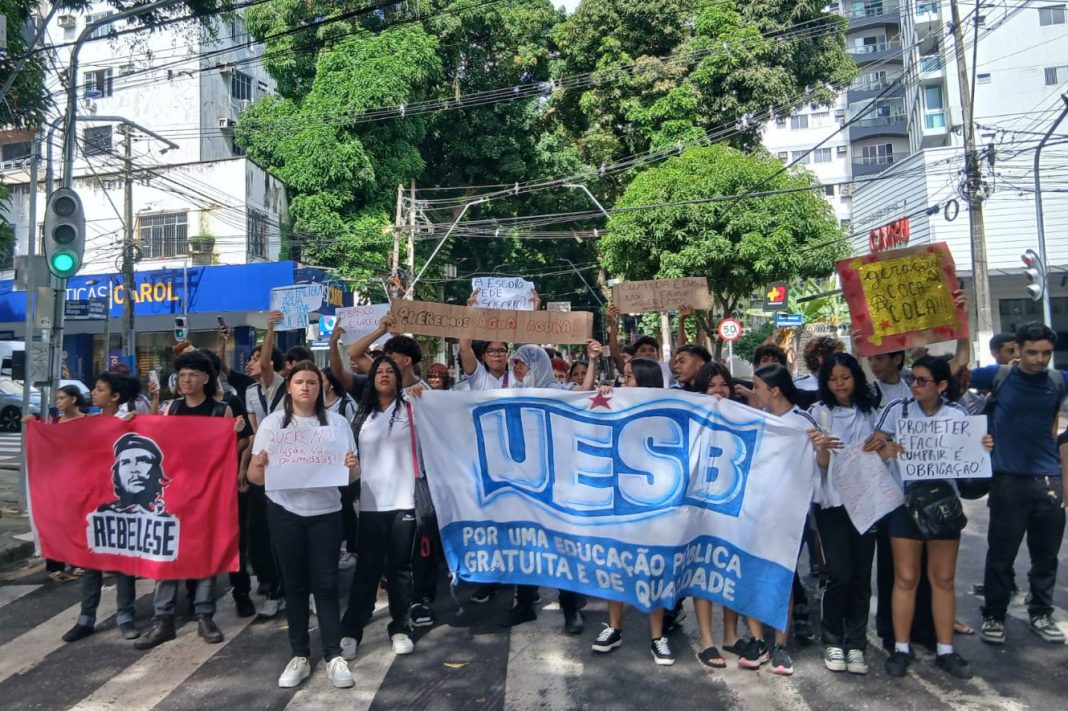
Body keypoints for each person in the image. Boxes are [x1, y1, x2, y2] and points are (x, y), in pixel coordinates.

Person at [247, 360, 359, 689]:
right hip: (285, 513)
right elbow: (255, 478)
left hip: (326, 513)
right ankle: (299, 655)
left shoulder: (337, 425)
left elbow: (352, 476)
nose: (306, 388)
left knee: (325, 586)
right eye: (299, 382)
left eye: (312, 382)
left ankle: (333, 655)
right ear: (290, 387)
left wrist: (352, 466)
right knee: (294, 587)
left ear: (320, 387)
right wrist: (258, 464)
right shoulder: (271, 425)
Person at [875, 356, 987, 680]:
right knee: (905, 579)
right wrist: (887, 450)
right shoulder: (898, 411)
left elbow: (971, 455)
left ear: (940, 385)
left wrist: (983, 446)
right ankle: (900, 647)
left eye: (922, 380)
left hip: (943, 505)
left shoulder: (957, 414)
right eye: (913, 379)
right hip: (903, 505)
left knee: (943, 580)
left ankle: (946, 651)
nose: (914, 385)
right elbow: (873, 451)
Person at [135, 351, 237, 650]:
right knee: (167, 554)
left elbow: (226, 455)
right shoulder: (173, 409)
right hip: (174, 494)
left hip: (208, 495)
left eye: (192, 374)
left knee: (204, 555)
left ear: (206, 378)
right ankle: (163, 618)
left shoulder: (221, 411)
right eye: (181, 376)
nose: (186, 380)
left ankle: (205, 614)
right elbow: (160, 445)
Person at [974, 322, 1068, 646]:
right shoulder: (997, 376)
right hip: (1008, 482)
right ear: (1019, 348)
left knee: (1046, 556)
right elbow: (952, 378)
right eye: (1032, 352)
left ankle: (1040, 612)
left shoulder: (1058, 381)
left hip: (1049, 482)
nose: (1039, 360)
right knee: (1001, 556)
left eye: (1045, 353)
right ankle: (993, 614)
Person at [585, 354, 677, 665]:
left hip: (656, 505)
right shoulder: (612, 405)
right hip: (618, 502)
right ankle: (614, 628)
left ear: (646, 381)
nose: (624, 382)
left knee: (653, 568)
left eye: (630, 377)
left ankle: (657, 636)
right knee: (615, 564)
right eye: (624, 376)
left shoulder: (668, 410)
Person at [736, 364, 822, 676]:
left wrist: (820, 448)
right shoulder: (754, 419)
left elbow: (821, 465)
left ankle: (781, 645)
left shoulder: (803, 422)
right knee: (752, 574)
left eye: (757, 386)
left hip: (788, 516)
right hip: (753, 512)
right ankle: (758, 640)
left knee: (780, 577)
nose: (752, 392)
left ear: (774, 390)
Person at [500, 344, 586, 634]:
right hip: (525, 482)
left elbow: (587, 395)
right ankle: (524, 604)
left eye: (521, 364)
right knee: (525, 544)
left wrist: (595, 361)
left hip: (559, 481)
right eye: (515, 364)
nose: (517, 369)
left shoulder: (558, 390)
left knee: (563, 546)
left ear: (537, 365)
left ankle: (570, 607)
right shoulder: (513, 394)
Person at [808, 352, 884, 675]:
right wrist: (823, 447)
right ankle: (832, 639)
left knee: (861, 577)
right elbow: (820, 467)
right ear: (825, 382)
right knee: (839, 573)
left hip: (867, 502)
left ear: (856, 378)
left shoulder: (871, 411)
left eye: (846, 377)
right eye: (833, 379)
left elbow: (886, 453)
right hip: (833, 505)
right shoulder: (818, 413)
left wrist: (881, 443)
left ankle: (856, 644)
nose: (840, 384)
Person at [340, 356, 420, 659]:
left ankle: (400, 627)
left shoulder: (413, 404)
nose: (385, 375)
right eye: (379, 371)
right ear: (371, 378)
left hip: (405, 500)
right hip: (371, 504)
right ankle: (352, 629)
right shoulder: (362, 415)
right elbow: (347, 453)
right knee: (367, 570)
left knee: (400, 569)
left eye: (390, 371)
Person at [62, 374, 141, 643]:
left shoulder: (128, 422)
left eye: (99, 389)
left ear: (115, 396)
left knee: (122, 560)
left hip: (121, 502)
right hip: (92, 501)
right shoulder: (88, 423)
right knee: (90, 560)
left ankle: (125, 616)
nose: (93, 393)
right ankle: (86, 618)